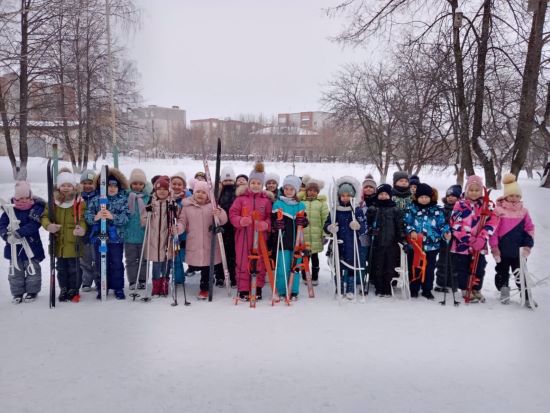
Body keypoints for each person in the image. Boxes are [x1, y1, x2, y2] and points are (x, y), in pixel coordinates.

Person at [450, 175, 498, 303]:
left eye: (477, 190)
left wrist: (482, 238)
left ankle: (476, 288)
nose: (474, 193)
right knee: (463, 267)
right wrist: (468, 239)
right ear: (466, 190)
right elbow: (454, 224)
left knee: (479, 266)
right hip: (462, 244)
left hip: (480, 244)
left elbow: (493, 222)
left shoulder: (487, 205)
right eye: (471, 190)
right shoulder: (459, 204)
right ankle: (466, 289)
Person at [176, 180, 228, 299]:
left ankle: (204, 288)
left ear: (208, 195)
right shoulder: (187, 206)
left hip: (209, 242)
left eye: (203, 192)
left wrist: (219, 213)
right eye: (197, 192)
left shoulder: (213, 206)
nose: (200, 194)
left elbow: (223, 220)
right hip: (194, 241)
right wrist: (178, 228)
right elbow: (182, 221)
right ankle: (203, 277)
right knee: (197, 264)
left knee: (207, 267)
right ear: (193, 193)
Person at [229, 162, 273, 301]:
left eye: (258, 183)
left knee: (259, 261)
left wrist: (265, 224)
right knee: (242, 261)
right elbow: (233, 214)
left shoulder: (266, 201)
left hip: (260, 237)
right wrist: (240, 221)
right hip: (243, 236)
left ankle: (257, 287)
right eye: (253, 182)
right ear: (248, 183)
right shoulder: (240, 199)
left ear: (262, 185)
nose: (255, 185)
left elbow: (270, 217)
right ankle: (243, 288)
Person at [42, 170, 87, 302]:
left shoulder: (79, 202)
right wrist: (48, 225)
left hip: (74, 243)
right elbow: (44, 216)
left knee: (74, 268)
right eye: (63, 185)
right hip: (59, 243)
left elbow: (83, 219)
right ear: (58, 187)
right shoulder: (52, 202)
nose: (66, 188)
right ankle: (64, 288)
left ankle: (74, 288)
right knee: (61, 269)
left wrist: (82, 229)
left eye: (69, 185)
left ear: (74, 187)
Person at [490, 174, 535, 304]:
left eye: (517, 195)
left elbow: (529, 229)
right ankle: (504, 292)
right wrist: (494, 248)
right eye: (511, 195)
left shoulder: (524, 212)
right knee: (502, 272)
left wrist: (527, 246)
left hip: (519, 252)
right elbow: (493, 231)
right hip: (502, 251)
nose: (514, 198)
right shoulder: (498, 211)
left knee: (521, 274)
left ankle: (526, 296)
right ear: (505, 196)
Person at [85, 168, 129, 300]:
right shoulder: (96, 199)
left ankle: (118, 288)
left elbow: (126, 217)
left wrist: (112, 216)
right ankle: (102, 287)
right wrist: (95, 217)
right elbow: (87, 214)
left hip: (116, 238)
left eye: (115, 186)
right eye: (109, 185)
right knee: (100, 262)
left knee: (116, 263)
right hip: (100, 237)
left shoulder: (122, 199)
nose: (112, 188)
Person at [0, 181, 46, 303]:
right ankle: (17, 293)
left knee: (33, 269)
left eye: (27, 197)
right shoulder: (9, 210)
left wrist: (19, 232)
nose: (24, 200)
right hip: (14, 248)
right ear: (15, 198)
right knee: (16, 271)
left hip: (31, 245)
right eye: (20, 198)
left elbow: (34, 224)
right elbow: (2, 224)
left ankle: (32, 291)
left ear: (31, 197)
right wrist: (6, 235)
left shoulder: (35, 208)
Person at [404, 183, 451, 299]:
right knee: (415, 266)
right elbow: (406, 223)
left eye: (426, 197)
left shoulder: (437, 210)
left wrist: (446, 232)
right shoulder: (411, 208)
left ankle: (427, 289)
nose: (424, 199)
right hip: (416, 245)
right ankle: (414, 288)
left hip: (432, 245)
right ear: (417, 197)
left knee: (429, 268)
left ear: (431, 197)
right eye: (421, 197)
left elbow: (443, 224)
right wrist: (411, 231)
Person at [324, 176, 366, 299]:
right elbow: (326, 224)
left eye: (348, 195)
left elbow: (364, 227)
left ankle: (351, 289)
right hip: (339, 242)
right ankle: (340, 287)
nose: (345, 198)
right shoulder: (335, 210)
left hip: (353, 243)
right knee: (339, 265)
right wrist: (330, 228)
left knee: (351, 266)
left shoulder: (357, 210)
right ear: (339, 196)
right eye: (343, 195)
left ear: (353, 196)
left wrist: (358, 226)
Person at [366, 184, 404, 297]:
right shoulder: (373, 208)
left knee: (390, 266)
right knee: (378, 265)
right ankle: (379, 287)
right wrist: (370, 230)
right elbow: (367, 223)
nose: (383, 196)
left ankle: (387, 287)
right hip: (377, 243)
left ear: (390, 196)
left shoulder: (395, 209)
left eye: (386, 194)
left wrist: (401, 238)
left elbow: (399, 226)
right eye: (381, 194)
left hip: (391, 243)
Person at [273, 175, 307, 300]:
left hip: (296, 242)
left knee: (295, 267)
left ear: (296, 191)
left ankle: (293, 290)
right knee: (282, 267)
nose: (288, 191)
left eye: (291, 189)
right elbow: (273, 222)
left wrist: (303, 221)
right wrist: (277, 224)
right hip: (283, 241)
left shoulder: (300, 205)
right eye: (286, 188)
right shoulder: (278, 203)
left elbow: (305, 221)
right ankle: (282, 290)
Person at [140, 176, 172, 297]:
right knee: (156, 266)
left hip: (167, 240)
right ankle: (156, 286)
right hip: (153, 241)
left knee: (166, 264)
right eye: (159, 189)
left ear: (168, 191)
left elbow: (177, 218)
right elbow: (143, 222)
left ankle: (164, 284)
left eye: (165, 189)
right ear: (155, 190)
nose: (162, 191)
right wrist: (147, 214)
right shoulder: (150, 203)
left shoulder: (171, 204)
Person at [299, 176, 328, 286]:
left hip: (316, 237)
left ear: (318, 192)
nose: (312, 193)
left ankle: (315, 277)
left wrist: (325, 234)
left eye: (315, 191)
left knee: (315, 258)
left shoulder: (321, 204)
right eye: (310, 190)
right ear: (306, 191)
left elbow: (325, 219)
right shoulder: (302, 203)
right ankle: (305, 276)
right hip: (303, 236)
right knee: (304, 258)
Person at [124, 168, 151, 290]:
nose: (137, 186)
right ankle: (132, 280)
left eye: (140, 184)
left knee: (144, 260)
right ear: (130, 184)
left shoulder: (147, 198)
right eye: (135, 183)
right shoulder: (126, 197)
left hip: (143, 235)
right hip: (129, 236)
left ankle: (142, 279)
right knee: (130, 260)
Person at [434, 184, 462, 292]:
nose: (450, 198)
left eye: (454, 196)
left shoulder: (460, 210)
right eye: (448, 195)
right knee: (442, 262)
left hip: (456, 241)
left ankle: (452, 284)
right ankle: (441, 283)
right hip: (444, 240)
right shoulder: (442, 210)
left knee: (454, 263)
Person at [170, 172, 191, 285]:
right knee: (176, 258)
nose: (176, 186)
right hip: (171, 233)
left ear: (183, 186)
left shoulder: (188, 198)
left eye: (179, 184)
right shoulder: (167, 197)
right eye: (174, 184)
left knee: (184, 256)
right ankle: (178, 279)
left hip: (185, 235)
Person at [78, 170, 98, 292]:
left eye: (90, 183)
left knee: (97, 258)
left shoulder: (99, 197)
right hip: (83, 233)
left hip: (95, 232)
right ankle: (86, 282)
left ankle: (98, 280)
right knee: (85, 260)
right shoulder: (78, 198)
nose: (87, 186)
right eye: (84, 183)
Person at [218, 166, 238, 288]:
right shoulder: (218, 193)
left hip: (234, 227)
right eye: (226, 181)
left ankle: (233, 275)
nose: (228, 183)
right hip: (222, 227)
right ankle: (220, 275)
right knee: (220, 252)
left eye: (230, 181)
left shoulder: (237, 193)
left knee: (233, 254)